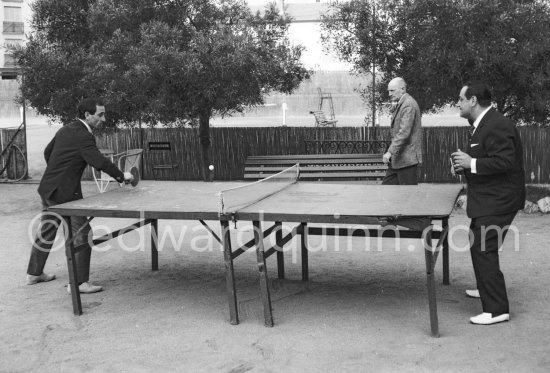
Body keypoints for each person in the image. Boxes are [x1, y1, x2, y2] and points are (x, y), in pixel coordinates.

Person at [26, 98, 133, 294]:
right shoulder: (84, 136)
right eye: (100, 114)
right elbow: (99, 161)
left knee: (48, 230)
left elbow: (48, 152)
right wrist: (121, 176)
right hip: (65, 194)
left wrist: (59, 172)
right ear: (87, 115)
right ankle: (79, 283)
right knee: (83, 234)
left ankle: (34, 273)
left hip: (48, 188)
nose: (103, 118)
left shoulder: (66, 129)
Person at [451, 82, 525, 325]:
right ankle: (486, 289)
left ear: (473, 101)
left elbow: (504, 162)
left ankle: (496, 310)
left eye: (461, 99)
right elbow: (487, 160)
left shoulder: (496, 124)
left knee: (483, 248)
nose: (458, 103)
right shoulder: (485, 124)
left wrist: (470, 163)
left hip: (500, 200)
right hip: (491, 199)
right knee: (478, 244)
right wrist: (465, 166)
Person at [382, 77, 423, 185]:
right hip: (398, 161)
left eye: (392, 90)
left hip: (407, 162)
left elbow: (404, 132)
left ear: (403, 89)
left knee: (408, 198)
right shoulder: (403, 103)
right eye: (389, 91)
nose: (389, 94)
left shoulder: (408, 104)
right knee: (386, 192)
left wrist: (389, 152)